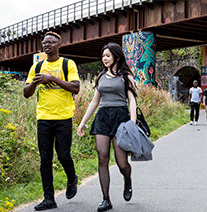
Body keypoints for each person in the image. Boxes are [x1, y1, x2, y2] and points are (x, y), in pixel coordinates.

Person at [23, 31, 80, 211]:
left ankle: (72, 179)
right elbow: (26, 93)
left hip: (63, 117)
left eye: (50, 42)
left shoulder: (67, 64)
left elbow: (75, 88)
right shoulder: (37, 67)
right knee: (45, 159)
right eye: (44, 42)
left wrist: (52, 78)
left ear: (58, 45)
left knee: (63, 155)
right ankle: (49, 199)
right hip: (44, 118)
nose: (46, 45)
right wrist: (35, 83)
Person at [77, 43, 137, 211]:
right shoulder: (101, 76)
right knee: (102, 157)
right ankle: (106, 199)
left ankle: (127, 179)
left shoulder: (126, 76)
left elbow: (131, 100)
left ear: (116, 57)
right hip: (103, 117)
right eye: (103, 56)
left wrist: (132, 121)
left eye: (108, 55)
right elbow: (95, 101)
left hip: (121, 118)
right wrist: (83, 122)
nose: (104, 58)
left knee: (121, 162)